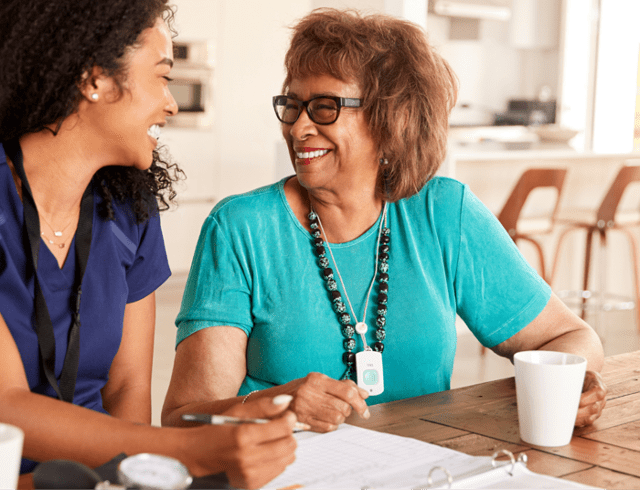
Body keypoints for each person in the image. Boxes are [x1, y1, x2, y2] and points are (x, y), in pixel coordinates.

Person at [162, 8, 607, 434]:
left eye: (324, 108)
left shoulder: (444, 214)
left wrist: (571, 386)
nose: (298, 129)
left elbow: (571, 337)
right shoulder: (241, 229)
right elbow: (185, 417)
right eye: (293, 106)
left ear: (389, 118)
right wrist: (275, 405)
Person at [0, 1, 296, 487]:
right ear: (94, 79)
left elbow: (128, 387)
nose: (172, 102)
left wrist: (141, 476)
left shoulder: (128, 209)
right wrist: (191, 451)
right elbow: (7, 405)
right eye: (161, 76)